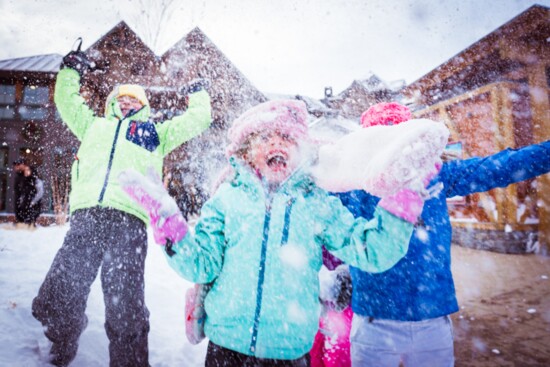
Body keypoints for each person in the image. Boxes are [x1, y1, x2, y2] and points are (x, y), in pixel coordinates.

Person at [121, 99, 433, 367]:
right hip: (226, 347)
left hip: (289, 351)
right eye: (265, 138)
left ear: (301, 150)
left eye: (286, 137)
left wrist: (402, 203)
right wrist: (166, 221)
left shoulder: (316, 201)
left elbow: (370, 250)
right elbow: (200, 265)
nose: (277, 144)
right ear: (246, 151)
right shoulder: (226, 199)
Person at [31, 46, 212, 367]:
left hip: (129, 223)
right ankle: (63, 337)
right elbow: (66, 101)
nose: (127, 102)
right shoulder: (93, 126)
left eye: (135, 100)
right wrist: (71, 70)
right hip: (88, 216)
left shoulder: (154, 133)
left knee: (125, 304)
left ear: (143, 107)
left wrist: (197, 93)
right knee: (62, 290)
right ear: (112, 104)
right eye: (121, 98)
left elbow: (198, 119)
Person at [340, 102, 550, 367]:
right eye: (382, 138)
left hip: (432, 319)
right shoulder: (352, 187)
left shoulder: (437, 177)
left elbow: (501, 166)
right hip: (373, 321)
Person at [13, 160, 44, 227]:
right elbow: (21, 193)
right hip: (24, 206)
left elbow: (40, 193)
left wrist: (32, 202)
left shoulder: (36, 181)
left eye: (28, 170)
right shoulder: (24, 181)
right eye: (25, 170)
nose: (26, 172)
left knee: (30, 223)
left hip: (32, 206)